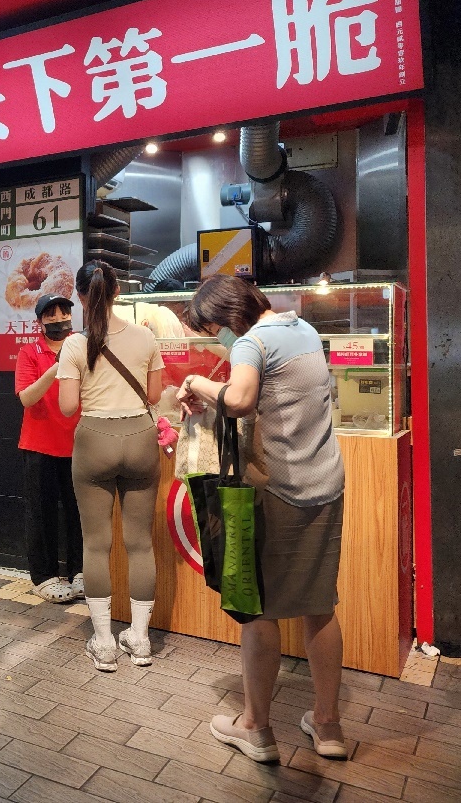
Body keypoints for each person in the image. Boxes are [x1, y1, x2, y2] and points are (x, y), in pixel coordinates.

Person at [176, 275, 346, 763]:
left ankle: (255, 728)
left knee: (259, 610)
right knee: (320, 605)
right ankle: (329, 726)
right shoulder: (303, 330)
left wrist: (197, 383)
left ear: (227, 317)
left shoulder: (253, 341)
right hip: (326, 485)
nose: (215, 339)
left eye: (212, 329)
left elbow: (242, 398)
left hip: (279, 491)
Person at [57, 261, 163, 673]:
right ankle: (140, 641)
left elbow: (68, 407)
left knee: (95, 543)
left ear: (81, 298)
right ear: (117, 292)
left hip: (94, 441)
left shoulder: (74, 345)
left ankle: (103, 644)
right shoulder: (145, 337)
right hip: (140, 439)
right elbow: (153, 395)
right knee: (140, 543)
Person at [16, 293, 83, 603]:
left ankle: (80, 571)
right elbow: (27, 398)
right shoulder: (29, 352)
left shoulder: (82, 347)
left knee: (79, 512)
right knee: (41, 514)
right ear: (39, 321)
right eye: (51, 315)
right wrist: (55, 367)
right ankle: (42, 577)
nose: (58, 320)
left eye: (63, 313)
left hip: (79, 444)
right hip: (40, 446)